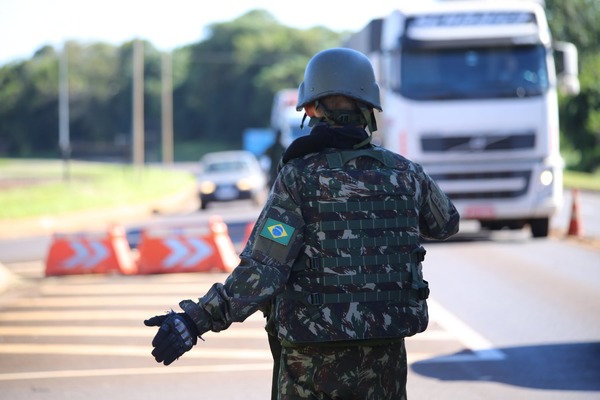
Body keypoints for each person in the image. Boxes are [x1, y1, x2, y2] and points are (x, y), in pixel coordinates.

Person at [144, 47, 460, 399]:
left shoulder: (299, 177)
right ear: (369, 107)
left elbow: (264, 270)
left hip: (311, 362)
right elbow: (446, 223)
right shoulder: (406, 173)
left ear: (311, 108)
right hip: (385, 356)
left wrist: (195, 319)